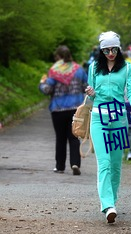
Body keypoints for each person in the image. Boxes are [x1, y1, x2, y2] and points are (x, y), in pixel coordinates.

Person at [85, 31, 131, 223]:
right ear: (101, 50)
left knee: (116, 165)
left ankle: (112, 201)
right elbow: (91, 97)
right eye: (106, 50)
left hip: (119, 120)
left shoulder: (127, 68)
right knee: (104, 163)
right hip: (99, 118)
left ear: (119, 48)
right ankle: (107, 205)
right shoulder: (94, 68)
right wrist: (90, 92)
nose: (110, 53)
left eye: (114, 49)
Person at [39, 45, 88, 175]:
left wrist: (42, 83)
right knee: (74, 137)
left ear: (58, 57)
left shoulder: (54, 71)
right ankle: (75, 163)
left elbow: (47, 90)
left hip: (58, 109)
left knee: (60, 138)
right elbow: (86, 87)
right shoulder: (79, 70)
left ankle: (60, 166)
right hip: (75, 109)